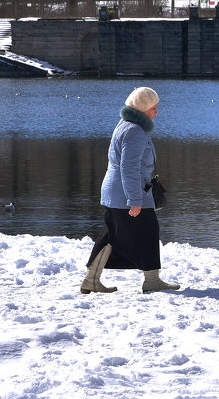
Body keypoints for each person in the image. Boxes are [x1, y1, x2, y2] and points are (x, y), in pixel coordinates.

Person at [80, 86, 180, 294]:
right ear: (143, 108)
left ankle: (92, 280)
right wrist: (134, 200)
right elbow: (129, 168)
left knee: (111, 236)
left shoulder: (128, 125)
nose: (156, 112)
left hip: (117, 192)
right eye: (154, 107)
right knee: (148, 231)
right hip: (127, 193)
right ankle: (151, 280)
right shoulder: (134, 131)